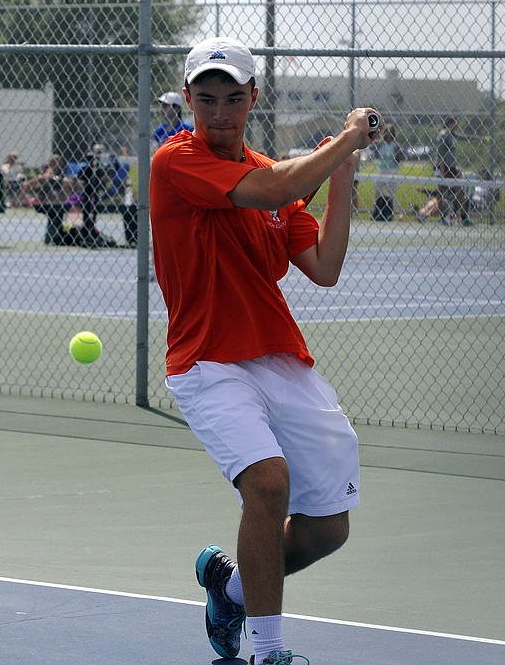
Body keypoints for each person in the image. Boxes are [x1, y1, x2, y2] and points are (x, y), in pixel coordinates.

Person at [150, 37, 376, 665]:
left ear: (252, 98)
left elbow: (325, 267)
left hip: (278, 358)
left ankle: (229, 590)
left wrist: (345, 168)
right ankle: (265, 652)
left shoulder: (273, 175)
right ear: (189, 100)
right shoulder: (177, 161)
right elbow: (274, 190)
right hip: (205, 361)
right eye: (205, 100)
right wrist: (343, 142)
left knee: (329, 529)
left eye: (230, 99)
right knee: (268, 483)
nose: (217, 114)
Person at [435, 116, 484, 227]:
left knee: (461, 189)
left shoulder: (452, 135)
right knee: (441, 192)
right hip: (443, 168)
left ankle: (463, 217)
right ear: (449, 124)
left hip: (452, 167)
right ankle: (442, 217)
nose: (456, 126)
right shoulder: (443, 135)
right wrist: (442, 171)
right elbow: (440, 154)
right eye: (454, 124)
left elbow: (463, 137)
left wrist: (475, 138)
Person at [370, 122, 406, 221]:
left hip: (393, 169)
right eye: (387, 132)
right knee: (378, 187)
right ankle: (377, 210)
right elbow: (374, 147)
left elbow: (401, 157)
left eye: (391, 132)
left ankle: (391, 212)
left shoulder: (396, 145)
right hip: (382, 168)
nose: (389, 134)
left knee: (392, 192)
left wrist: (399, 152)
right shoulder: (381, 144)